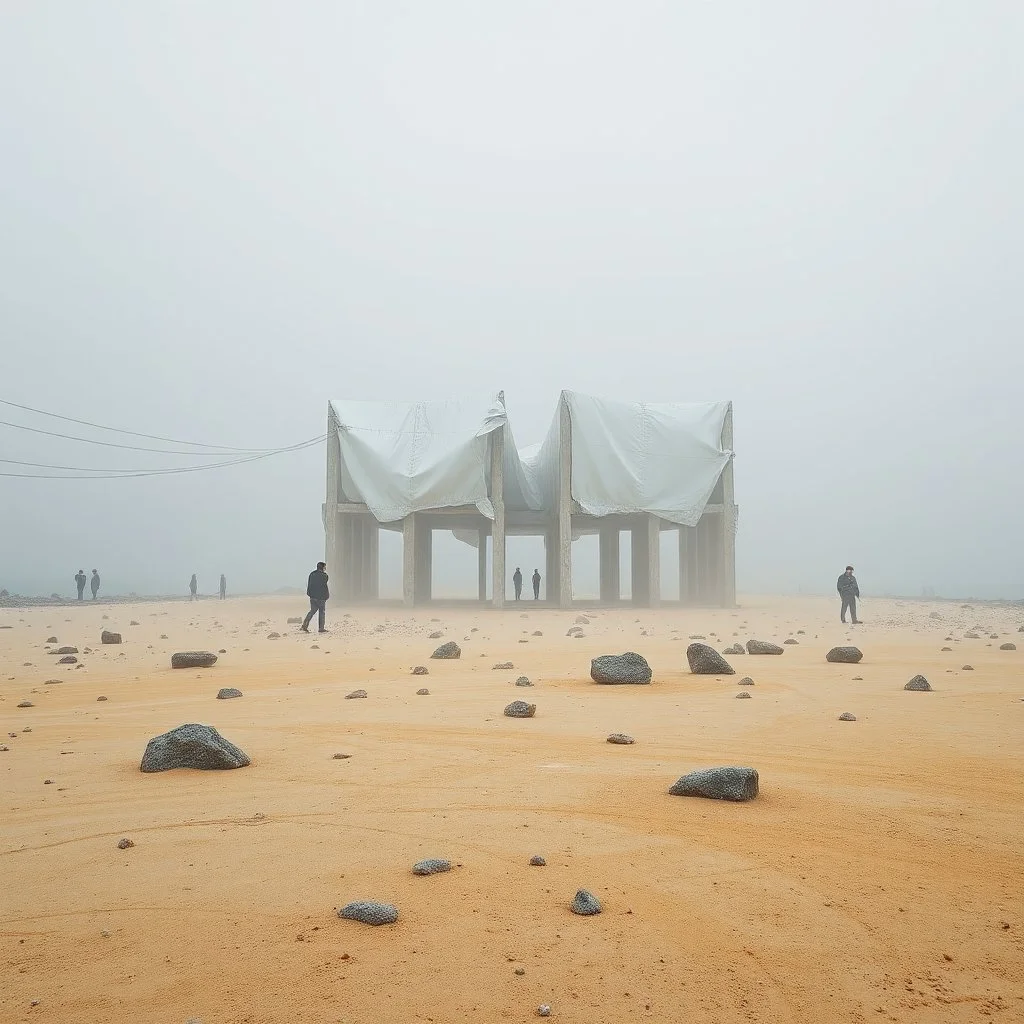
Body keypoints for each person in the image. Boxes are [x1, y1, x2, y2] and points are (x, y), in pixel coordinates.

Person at [301, 561, 329, 633]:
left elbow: (309, 585)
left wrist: (309, 594)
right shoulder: (324, 575)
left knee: (312, 611)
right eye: (324, 567)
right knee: (322, 612)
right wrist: (326, 596)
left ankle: (305, 625)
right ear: (322, 567)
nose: (325, 568)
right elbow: (324, 586)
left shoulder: (312, 574)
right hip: (321, 597)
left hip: (313, 597)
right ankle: (321, 628)